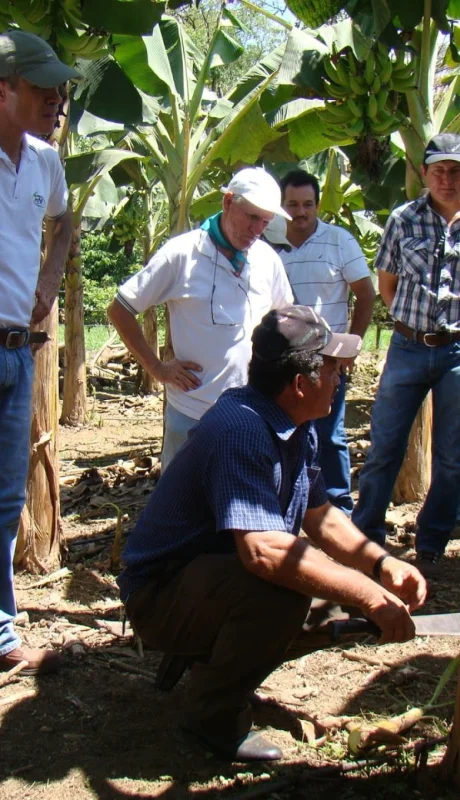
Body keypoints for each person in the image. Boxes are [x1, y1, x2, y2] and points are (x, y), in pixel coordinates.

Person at [117, 305, 426, 762]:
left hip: (208, 581)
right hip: (160, 596)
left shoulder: (294, 422)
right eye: (333, 367)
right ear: (300, 383)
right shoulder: (241, 429)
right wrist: (369, 594)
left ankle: (224, 669)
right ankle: (212, 717)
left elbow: (321, 516)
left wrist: (381, 566)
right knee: (281, 594)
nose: (341, 376)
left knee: (328, 602)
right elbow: (263, 553)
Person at [107, 167, 293, 469]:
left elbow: (284, 318)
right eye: (251, 217)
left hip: (252, 410)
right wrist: (156, 367)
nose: (257, 229)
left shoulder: (266, 258)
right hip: (193, 411)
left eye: (265, 221)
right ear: (228, 202)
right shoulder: (182, 255)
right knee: (179, 507)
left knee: (236, 504)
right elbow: (120, 309)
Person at [0, 31, 77, 673]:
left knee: (4, 499)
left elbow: (66, 221)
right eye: (44, 88)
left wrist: (49, 281)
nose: (58, 99)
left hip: (18, 351)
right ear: (4, 90)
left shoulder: (45, 162)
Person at [352, 133, 460, 578]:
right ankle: (365, 540)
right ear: (423, 172)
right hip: (407, 346)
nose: (447, 179)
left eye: (455, 171)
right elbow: (387, 283)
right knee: (385, 447)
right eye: (439, 170)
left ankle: (431, 544)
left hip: (456, 351)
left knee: (453, 457)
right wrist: (409, 324)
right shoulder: (403, 219)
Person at [264, 169, 375, 515]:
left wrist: (351, 345)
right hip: (281, 361)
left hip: (329, 357)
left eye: (307, 204)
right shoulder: (266, 243)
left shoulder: (339, 241)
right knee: (283, 433)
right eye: (292, 205)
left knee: (329, 434)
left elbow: (366, 294)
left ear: (318, 205)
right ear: (281, 206)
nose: (300, 212)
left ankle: (338, 508)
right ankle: (289, 505)